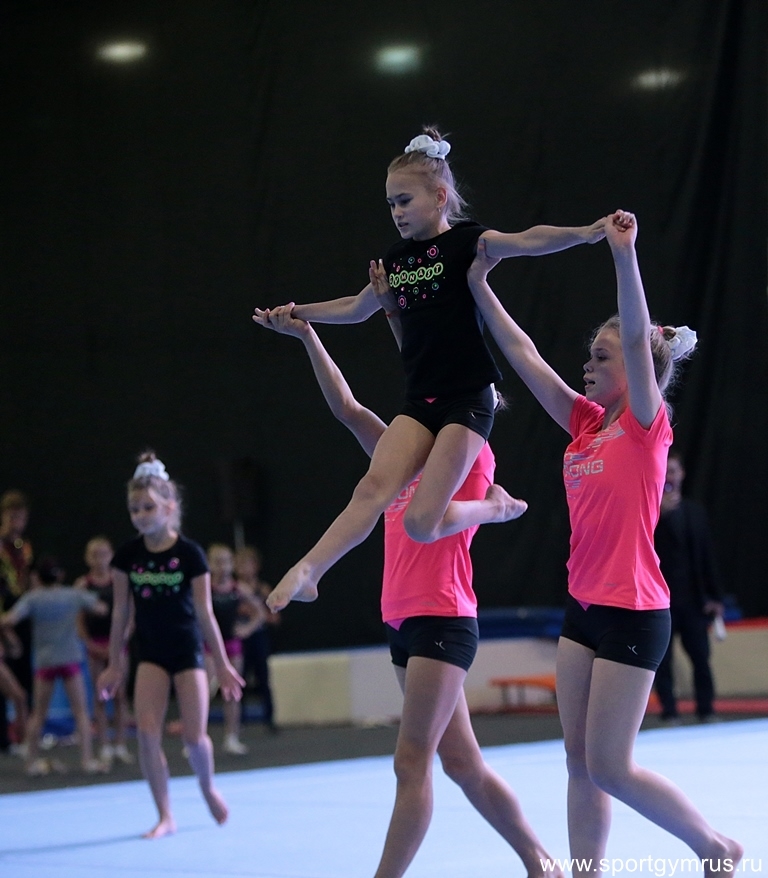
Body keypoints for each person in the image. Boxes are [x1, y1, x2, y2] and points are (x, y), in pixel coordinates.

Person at [466, 212, 742, 875]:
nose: (587, 366)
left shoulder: (646, 425)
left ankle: (714, 846)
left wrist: (623, 255)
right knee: (577, 760)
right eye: (589, 356)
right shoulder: (586, 424)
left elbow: (637, 334)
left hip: (634, 610)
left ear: (638, 368)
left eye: (601, 357)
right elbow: (526, 357)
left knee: (610, 766)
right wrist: (478, 284)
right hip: (583, 609)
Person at [255, 305, 563, 878]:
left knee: (411, 760)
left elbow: (439, 508)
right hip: (402, 618)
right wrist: (308, 336)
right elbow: (349, 409)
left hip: (442, 616)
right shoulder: (398, 455)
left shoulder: (473, 453)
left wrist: (493, 507)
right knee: (462, 763)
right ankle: (540, 861)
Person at [253, 126, 606, 614]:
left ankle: (495, 506)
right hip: (422, 399)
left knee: (421, 524)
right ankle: (311, 570)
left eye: (404, 201)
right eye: (390, 204)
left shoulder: (467, 243)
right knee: (372, 488)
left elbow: (527, 240)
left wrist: (586, 233)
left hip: (468, 397)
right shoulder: (396, 262)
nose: (396, 212)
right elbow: (356, 307)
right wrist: (296, 315)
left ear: (439, 197)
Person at [97, 452, 244, 839]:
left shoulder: (190, 555)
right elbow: (120, 613)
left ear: (169, 507)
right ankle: (165, 814)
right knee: (147, 733)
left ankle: (207, 787)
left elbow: (205, 613)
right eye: (134, 509)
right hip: (151, 653)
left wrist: (223, 664)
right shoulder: (127, 557)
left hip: (188, 652)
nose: (141, 515)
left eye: (148, 507)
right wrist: (114, 663)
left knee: (195, 737)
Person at [0, 556, 108, 776]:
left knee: (38, 714)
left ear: (38, 577)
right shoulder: (72, 595)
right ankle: (87, 760)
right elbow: (101, 608)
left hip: (45, 662)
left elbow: (9, 619)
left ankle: (31, 763)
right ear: (60, 575)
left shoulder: (33, 598)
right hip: (69, 660)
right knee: (80, 712)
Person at [653, 449, 724, 723]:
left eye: (673, 471)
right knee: (663, 659)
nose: (669, 476)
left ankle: (706, 709)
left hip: (693, 599)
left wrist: (714, 596)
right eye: (665, 471)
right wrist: (657, 513)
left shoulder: (695, 512)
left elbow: (707, 557)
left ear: (682, 474)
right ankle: (669, 711)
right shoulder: (648, 511)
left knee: (701, 656)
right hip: (661, 599)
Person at [75, 535, 134, 768]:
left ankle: (120, 744)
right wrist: (88, 644)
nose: (99, 559)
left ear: (111, 556)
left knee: (120, 695)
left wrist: (119, 642)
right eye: (94, 555)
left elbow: (130, 615)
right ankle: (104, 745)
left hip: (117, 645)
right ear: (87, 558)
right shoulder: (83, 585)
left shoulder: (119, 580)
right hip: (95, 645)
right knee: (100, 696)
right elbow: (78, 619)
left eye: (103, 554)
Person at [206, 542, 263, 754]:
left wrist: (247, 629)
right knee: (205, 691)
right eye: (217, 562)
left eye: (226, 562)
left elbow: (259, 612)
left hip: (232, 644)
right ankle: (197, 736)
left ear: (232, 564)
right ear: (210, 564)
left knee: (232, 692)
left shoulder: (238, 589)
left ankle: (232, 736)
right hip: (209, 646)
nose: (222, 567)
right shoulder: (205, 588)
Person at [0, 489, 34, 751]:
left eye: (21, 518)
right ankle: (4, 738)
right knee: (8, 687)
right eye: (12, 518)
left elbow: (28, 583)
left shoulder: (25, 548)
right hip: (3, 617)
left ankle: (25, 738)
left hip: (21, 617)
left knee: (24, 680)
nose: (17, 524)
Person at [233, 545, 278, 731]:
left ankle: (269, 718)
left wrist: (259, 614)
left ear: (256, 566)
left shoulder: (262, 589)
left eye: (247, 564)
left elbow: (275, 617)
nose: (243, 568)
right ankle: (239, 719)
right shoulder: (234, 589)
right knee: (240, 678)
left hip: (258, 636)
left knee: (263, 678)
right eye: (239, 564)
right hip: (241, 638)